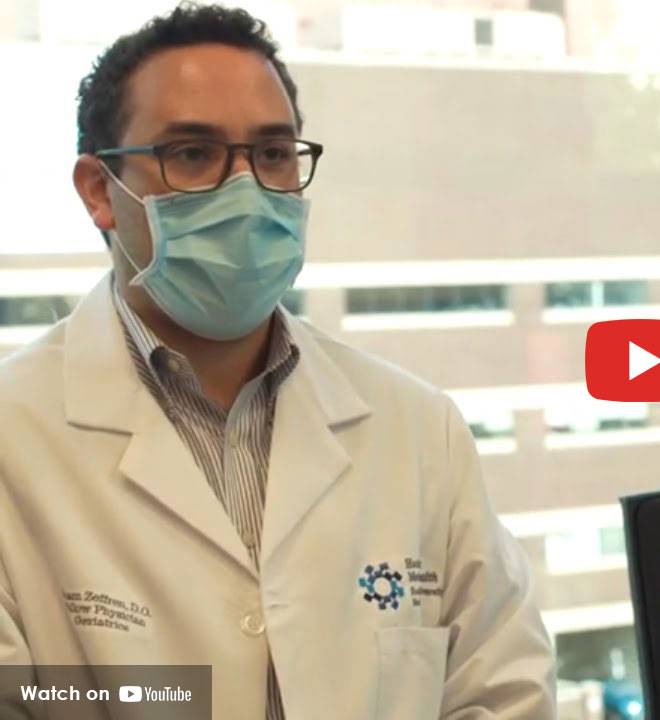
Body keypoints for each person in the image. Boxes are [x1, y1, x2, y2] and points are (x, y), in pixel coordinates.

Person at [0, 3, 554, 719]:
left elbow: (503, 691)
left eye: (272, 153)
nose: (247, 188)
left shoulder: (417, 429)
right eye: (192, 154)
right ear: (100, 190)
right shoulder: (15, 438)